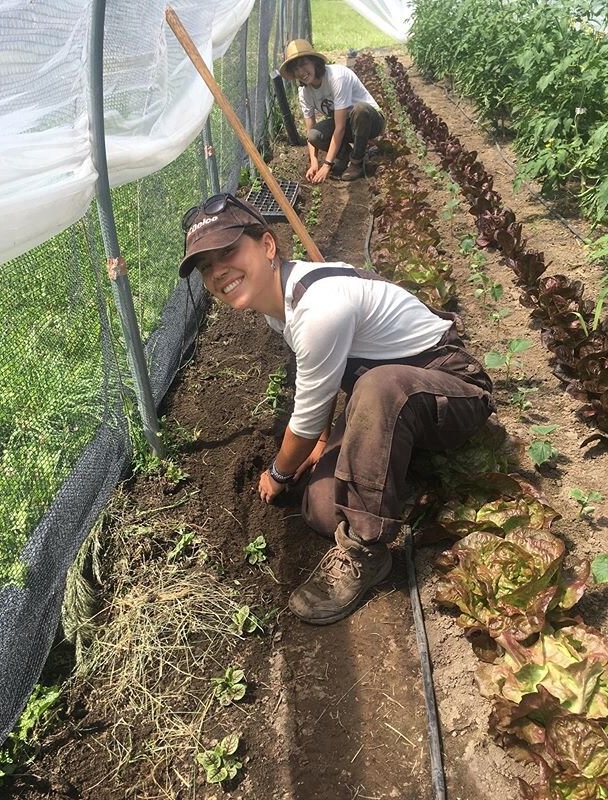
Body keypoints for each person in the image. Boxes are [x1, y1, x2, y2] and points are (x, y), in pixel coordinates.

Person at [178, 193, 495, 625]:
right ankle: (407, 478)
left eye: (228, 252)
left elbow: (306, 419)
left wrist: (279, 472)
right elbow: (319, 383)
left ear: (267, 245)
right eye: (205, 266)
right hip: (398, 404)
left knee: (376, 386)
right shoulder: (282, 304)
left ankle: (366, 551)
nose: (217, 272)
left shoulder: (318, 308)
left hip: (453, 388)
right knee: (324, 509)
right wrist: (325, 439)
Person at [279, 39, 385, 183]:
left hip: (371, 121)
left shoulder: (336, 77)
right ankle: (346, 155)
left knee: (360, 109)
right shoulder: (304, 92)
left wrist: (327, 165)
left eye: (304, 64)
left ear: (314, 62)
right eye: (296, 69)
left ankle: (357, 162)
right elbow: (310, 132)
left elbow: (340, 127)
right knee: (315, 135)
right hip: (347, 124)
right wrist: (314, 163)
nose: (301, 72)